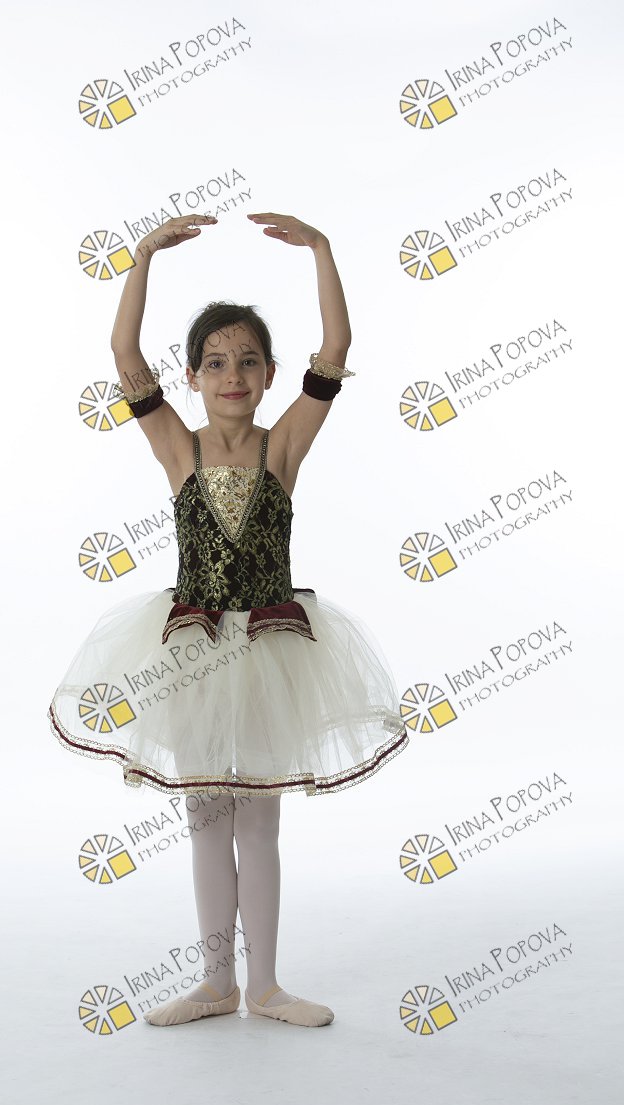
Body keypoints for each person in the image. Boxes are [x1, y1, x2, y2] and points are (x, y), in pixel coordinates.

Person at [48, 212, 410, 1028]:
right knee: (207, 819)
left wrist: (323, 249)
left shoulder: (284, 449)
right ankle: (216, 982)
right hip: (195, 653)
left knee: (261, 821)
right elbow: (122, 354)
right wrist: (143, 256)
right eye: (215, 363)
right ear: (191, 377)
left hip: (274, 647)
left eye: (248, 361)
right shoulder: (179, 449)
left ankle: (267, 985)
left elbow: (337, 348)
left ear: (271, 374)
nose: (232, 374)